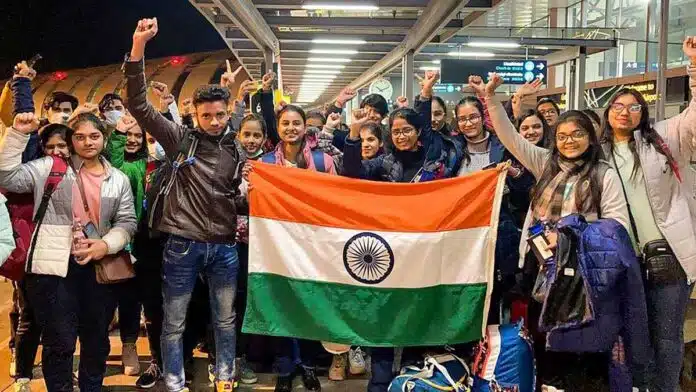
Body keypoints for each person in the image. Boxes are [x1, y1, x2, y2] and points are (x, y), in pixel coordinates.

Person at [477, 73, 635, 390]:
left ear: (591, 137)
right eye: (562, 136)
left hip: (583, 276)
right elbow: (510, 137)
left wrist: (570, 234)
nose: (569, 141)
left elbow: (617, 227)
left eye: (577, 134)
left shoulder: (603, 175)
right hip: (541, 271)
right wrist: (492, 100)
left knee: (582, 348)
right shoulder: (546, 163)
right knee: (545, 344)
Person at [126, 17, 246, 392]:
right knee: (173, 322)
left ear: (229, 114)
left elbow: (236, 200)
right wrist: (138, 47)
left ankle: (224, 379)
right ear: (195, 114)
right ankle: (175, 383)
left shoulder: (238, 149)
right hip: (182, 246)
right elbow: (139, 106)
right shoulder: (180, 139)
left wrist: (251, 195)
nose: (213, 121)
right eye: (205, 115)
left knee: (225, 321)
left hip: (226, 247)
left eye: (219, 115)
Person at [0, 111, 137, 392]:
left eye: (94, 136)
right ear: (71, 140)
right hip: (53, 271)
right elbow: (8, 177)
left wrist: (105, 245)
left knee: (97, 340)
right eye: (80, 137)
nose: (88, 142)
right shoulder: (50, 168)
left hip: (98, 269)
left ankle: (90, 387)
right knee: (59, 341)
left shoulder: (118, 179)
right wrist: (16, 134)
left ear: (104, 138)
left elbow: (127, 222)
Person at [600, 36, 696, 392]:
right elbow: (531, 153)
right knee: (634, 337)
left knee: (667, 336)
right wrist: (492, 106)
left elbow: (694, 116)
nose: (625, 111)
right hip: (623, 261)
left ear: (644, 111)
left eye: (634, 106)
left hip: (668, 254)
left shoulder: (663, 138)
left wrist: (694, 67)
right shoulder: (596, 153)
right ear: (608, 112)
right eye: (618, 105)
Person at [105, 114, 147, 377]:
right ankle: (99, 348)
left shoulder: (145, 164)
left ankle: (129, 346)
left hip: (140, 242)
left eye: (137, 136)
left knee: (132, 298)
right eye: (127, 136)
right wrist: (119, 133)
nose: (132, 140)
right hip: (112, 240)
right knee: (106, 299)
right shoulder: (112, 165)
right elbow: (117, 160)